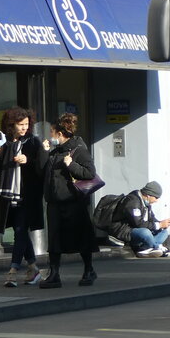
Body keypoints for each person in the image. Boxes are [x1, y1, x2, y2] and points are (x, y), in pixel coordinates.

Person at [0, 106, 46, 287]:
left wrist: (28, 160)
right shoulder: (4, 143)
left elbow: (41, 168)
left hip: (27, 195)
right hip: (9, 196)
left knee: (20, 230)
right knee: (20, 231)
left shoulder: (33, 142)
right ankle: (34, 268)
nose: (24, 128)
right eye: (20, 124)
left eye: (26, 124)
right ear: (11, 125)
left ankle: (12, 271)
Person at [39, 112, 98, 287]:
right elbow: (42, 171)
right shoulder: (55, 151)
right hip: (55, 202)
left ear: (60, 133)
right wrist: (43, 152)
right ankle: (54, 273)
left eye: (52, 132)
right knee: (55, 240)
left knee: (81, 238)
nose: (50, 136)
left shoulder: (79, 149)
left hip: (74, 202)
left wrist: (71, 164)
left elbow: (90, 173)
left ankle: (89, 270)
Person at [112, 181, 170, 257]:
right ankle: (156, 247)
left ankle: (145, 248)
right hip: (125, 231)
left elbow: (152, 219)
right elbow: (138, 223)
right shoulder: (133, 201)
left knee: (164, 232)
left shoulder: (146, 204)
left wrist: (162, 224)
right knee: (145, 232)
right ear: (148, 195)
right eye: (156, 197)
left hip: (139, 229)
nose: (156, 201)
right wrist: (159, 225)